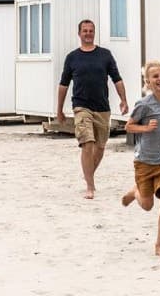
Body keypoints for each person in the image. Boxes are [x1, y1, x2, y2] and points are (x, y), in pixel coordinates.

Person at [56, 19, 128, 199]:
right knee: (87, 143)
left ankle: (88, 174)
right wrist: (59, 110)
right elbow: (63, 85)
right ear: (79, 33)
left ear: (94, 33)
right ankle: (90, 186)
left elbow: (117, 79)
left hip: (102, 108)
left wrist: (123, 100)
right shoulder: (72, 57)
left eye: (91, 31)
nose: (88, 34)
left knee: (100, 147)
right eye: (85, 31)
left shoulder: (105, 55)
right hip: (81, 107)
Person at [121, 60, 160, 258]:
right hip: (145, 162)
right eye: (155, 77)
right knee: (147, 206)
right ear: (148, 82)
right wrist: (145, 128)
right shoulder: (144, 105)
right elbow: (129, 127)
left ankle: (159, 245)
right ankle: (135, 192)